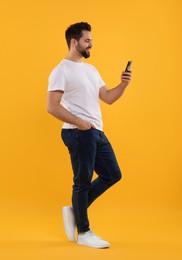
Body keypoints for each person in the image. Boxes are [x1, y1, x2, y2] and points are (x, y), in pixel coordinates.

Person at [46, 22, 132, 248]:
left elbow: (108, 97)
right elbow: (52, 107)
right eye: (87, 40)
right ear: (74, 42)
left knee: (113, 174)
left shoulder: (91, 70)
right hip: (78, 132)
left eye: (91, 40)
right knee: (82, 181)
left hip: (96, 131)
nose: (91, 44)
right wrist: (79, 123)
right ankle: (83, 232)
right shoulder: (61, 70)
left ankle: (77, 210)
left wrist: (123, 85)